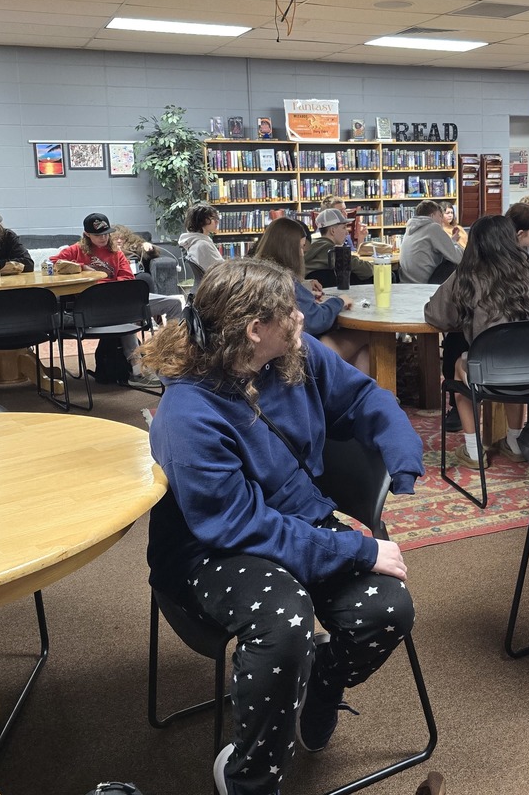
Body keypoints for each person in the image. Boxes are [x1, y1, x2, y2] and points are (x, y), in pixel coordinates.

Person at [139, 259, 423, 795]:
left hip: (298, 520)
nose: (302, 317)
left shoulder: (293, 355)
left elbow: (362, 396)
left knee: (388, 610)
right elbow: (239, 526)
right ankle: (249, 778)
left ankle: (320, 682)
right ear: (254, 330)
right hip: (211, 549)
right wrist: (356, 552)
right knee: (284, 620)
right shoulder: (187, 412)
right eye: (290, 311)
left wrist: (400, 450)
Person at [424, 215, 529, 468]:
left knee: (462, 363)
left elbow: (436, 315)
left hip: (491, 372)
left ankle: (473, 451)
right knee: (510, 356)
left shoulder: (468, 276)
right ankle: (515, 442)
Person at [52, 213, 184, 383]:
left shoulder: (116, 252)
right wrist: (82, 267)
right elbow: (53, 263)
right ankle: (137, 369)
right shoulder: (75, 250)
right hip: (94, 304)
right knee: (124, 316)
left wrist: (114, 288)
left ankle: (172, 358)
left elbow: (128, 278)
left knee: (173, 304)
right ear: (87, 235)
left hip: (121, 297)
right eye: (98, 235)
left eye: (106, 233)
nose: (103, 238)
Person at [253, 218, 371, 375]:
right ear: (288, 249)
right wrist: (339, 301)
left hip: (265, 351)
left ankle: (355, 390)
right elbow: (316, 321)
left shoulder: (259, 274)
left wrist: (307, 295)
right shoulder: (285, 281)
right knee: (367, 334)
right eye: (301, 248)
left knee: (360, 351)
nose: (302, 254)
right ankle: (368, 391)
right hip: (296, 354)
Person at [398, 200, 462, 284]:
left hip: (406, 282)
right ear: (432, 216)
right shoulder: (433, 227)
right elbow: (459, 257)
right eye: (440, 216)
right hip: (425, 283)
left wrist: (451, 240)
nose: (441, 220)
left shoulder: (410, 228)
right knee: (454, 264)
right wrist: (454, 243)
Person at [304, 208, 373, 283]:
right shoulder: (330, 250)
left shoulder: (310, 246)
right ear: (332, 231)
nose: (347, 233)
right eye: (344, 227)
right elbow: (366, 270)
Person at [178, 203, 224, 274]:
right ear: (201, 221)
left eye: (217, 218)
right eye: (213, 218)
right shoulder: (203, 245)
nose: (217, 222)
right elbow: (221, 271)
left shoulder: (195, 241)